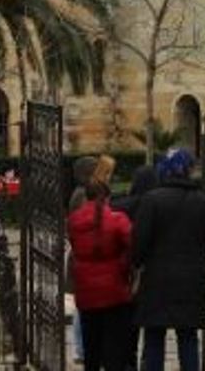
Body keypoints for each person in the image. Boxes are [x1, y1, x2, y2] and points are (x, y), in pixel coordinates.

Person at [132, 148, 205, 371]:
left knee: (154, 335)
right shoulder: (202, 201)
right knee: (188, 336)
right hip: (191, 278)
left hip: (156, 278)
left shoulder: (152, 200)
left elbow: (139, 243)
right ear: (189, 170)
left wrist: (139, 264)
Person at [68, 155, 135, 371]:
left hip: (86, 291)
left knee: (91, 348)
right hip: (114, 290)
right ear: (107, 197)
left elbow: (75, 245)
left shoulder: (75, 220)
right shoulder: (118, 220)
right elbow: (132, 246)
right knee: (114, 349)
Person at [112, 165, 159, 370]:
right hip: (155, 271)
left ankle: (128, 363)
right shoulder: (159, 204)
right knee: (153, 327)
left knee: (127, 325)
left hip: (125, 272)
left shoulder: (119, 206)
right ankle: (148, 363)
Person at [69, 155, 98, 363]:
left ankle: (83, 348)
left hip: (81, 255)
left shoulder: (81, 194)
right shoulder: (82, 196)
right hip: (84, 255)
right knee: (83, 305)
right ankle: (81, 349)